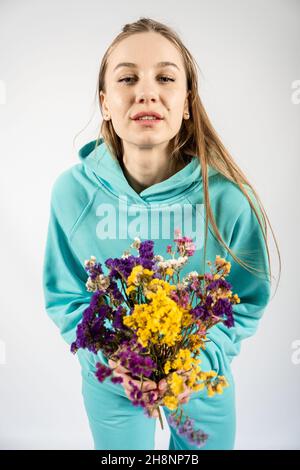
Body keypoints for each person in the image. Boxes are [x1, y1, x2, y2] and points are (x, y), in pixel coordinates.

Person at [42, 17, 281, 450]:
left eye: (165, 77)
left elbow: (245, 299)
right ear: (105, 103)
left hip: (200, 380)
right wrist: (111, 362)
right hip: (112, 380)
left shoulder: (226, 200)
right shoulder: (71, 195)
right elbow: (66, 296)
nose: (146, 91)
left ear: (187, 102)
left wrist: (201, 360)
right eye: (128, 77)